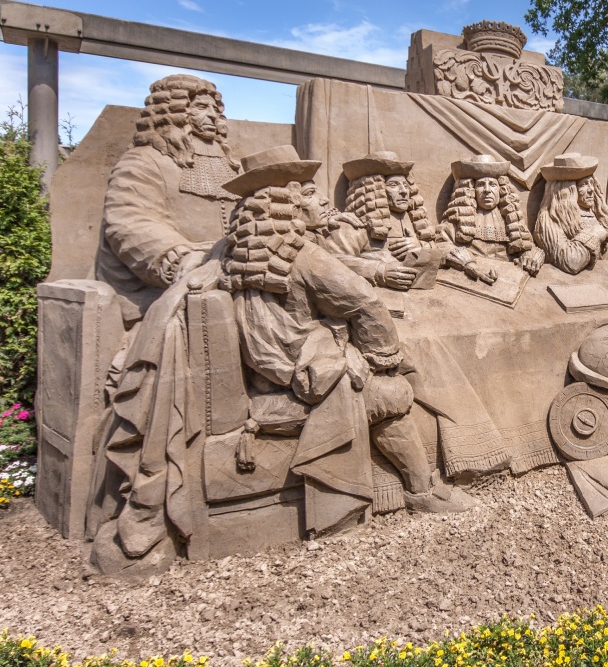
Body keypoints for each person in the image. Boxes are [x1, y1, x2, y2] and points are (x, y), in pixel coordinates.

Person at [220, 146, 475, 512]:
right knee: (394, 391)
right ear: (285, 207)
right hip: (304, 378)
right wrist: (383, 360)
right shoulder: (304, 257)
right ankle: (421, 490)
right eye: (310, 194)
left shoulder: (238, 252)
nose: (324, 200)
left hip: (270, 373)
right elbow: (366, 303)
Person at [95, 74, 241, 326]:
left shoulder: (231, 165)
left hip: (227, 271)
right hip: (160, 285)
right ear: (175, 111)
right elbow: (130, 221)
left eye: (215, 110)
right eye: (200, 107)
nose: (212, 116)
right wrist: (178, 257)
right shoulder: (143, 161)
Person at [324, 151, 495, 288]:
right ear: (373, 190)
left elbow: (439, 247)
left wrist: (466, 262)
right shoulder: (353, 224)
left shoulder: (412, 220)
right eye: (393, 185)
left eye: (405, 185)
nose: (404, 191)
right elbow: (331, 262)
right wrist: (380, 271)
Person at [440, 154, 544, 275]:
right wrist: (466, 262)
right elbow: (441, 246)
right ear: (471, 189)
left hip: (507, 278)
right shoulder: (457, 219)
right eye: (480, 185)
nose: (487, 190)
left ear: (501, 189)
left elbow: (529, 247)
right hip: (471, 277)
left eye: (492, 184)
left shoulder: (510, 219)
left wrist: (532, 257)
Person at [532, 153, 608, 275]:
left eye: (592, 183)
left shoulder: (599, 213)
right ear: (566, 191)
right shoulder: (549, 219)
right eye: (583, 184)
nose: (591, 189)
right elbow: (571, 262)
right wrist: (595, 234)